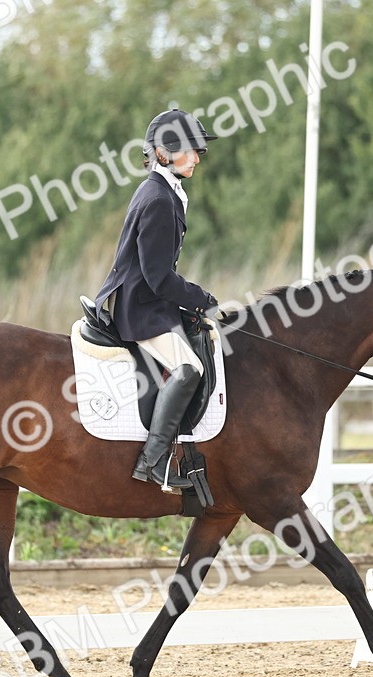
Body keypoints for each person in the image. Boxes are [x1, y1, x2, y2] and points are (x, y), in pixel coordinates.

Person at [93, 109, 219, 492]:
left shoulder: (164, 191)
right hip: (141, 309)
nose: (197, 158)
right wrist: (202, 300)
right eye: (190, 151)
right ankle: (155, 462)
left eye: (197, 151)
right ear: (163, 154)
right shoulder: (159, 199)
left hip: (149, 301)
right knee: (189, 368)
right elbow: (158, 277)